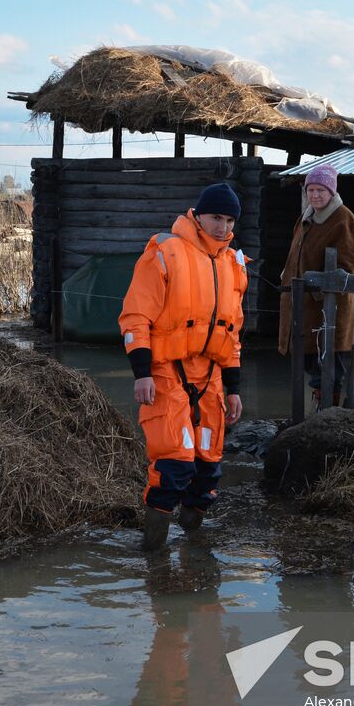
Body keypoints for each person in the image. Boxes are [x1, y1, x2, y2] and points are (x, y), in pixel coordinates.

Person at [120, 182, 249, 551]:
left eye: (228, 220)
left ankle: (195, 554)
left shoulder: (234, 266)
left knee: (207, 471)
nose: (222, 227)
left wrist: (234, 387)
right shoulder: (165, 252)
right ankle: (153, 555)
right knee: (174, 465)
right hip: (165, 372)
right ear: (198, 214)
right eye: (215, 218)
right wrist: (141, 372)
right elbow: (134, 317)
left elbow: (233, 332)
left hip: (210, 378)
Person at [278, 164, 354, 408]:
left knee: (330, 361)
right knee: (310, 358)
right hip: (301, 304)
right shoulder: (306, 217)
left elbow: (345, 264)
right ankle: (319, 407)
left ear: (331, 192)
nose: (314, 195)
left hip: (327, 307)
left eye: (320, 190)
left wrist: (320, 289)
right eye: (310, 190)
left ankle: (329, 412)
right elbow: (296, 254)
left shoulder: (343, 218)